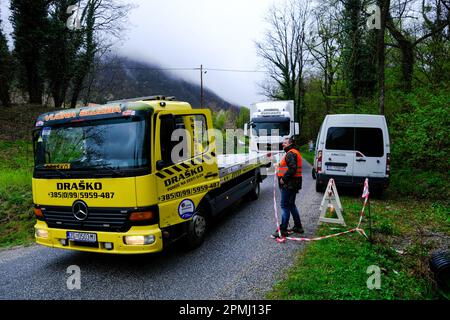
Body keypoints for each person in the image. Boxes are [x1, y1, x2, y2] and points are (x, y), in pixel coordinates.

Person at [273, 137, 304, 238]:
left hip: (289, 184)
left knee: (284, 206)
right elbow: (289, 167)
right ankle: (298, 227)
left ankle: (283, 229)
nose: (283, 144)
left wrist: (283, 179)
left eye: (285, 143)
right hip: (293, 183)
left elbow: (292, 168)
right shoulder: (293, 152)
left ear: (290, 144)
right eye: (283, 143)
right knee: (291, 205)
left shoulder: (291, 153)